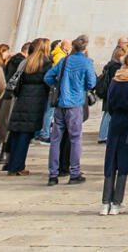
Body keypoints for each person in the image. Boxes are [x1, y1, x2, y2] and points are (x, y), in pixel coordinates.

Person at [44, 34, 97, 185]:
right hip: (75, 103)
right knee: (75, 139)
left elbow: (48, 77)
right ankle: (74, 172)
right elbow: (91, 82)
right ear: (85, 48)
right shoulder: (86, 62)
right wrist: (80, 88)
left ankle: (53, 174)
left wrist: (57, 85)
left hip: (61, 102)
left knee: (55, 140)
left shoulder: (64, 60)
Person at [99, 58, 128, 214]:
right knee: (124, 163)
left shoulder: (114, 82)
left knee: (111, 161)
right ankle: (117, 202)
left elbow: (110, 105)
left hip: (115, 121)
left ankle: (105, 202)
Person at [2, 37, 52, 174]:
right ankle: (18, 166)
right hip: (36, 100)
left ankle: (11, 163)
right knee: (25, 135)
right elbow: (48, 82)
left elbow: (17, 82)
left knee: (16, 133)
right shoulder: (46, 63)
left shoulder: (26, 62)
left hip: (22, 99)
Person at [94, 37, 128, 143]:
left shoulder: (112, 64)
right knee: (108, 113)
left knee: (108, 113)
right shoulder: (116, 66)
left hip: (109, 90)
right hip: (111, 91)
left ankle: (104, 135)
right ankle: (103, 136)